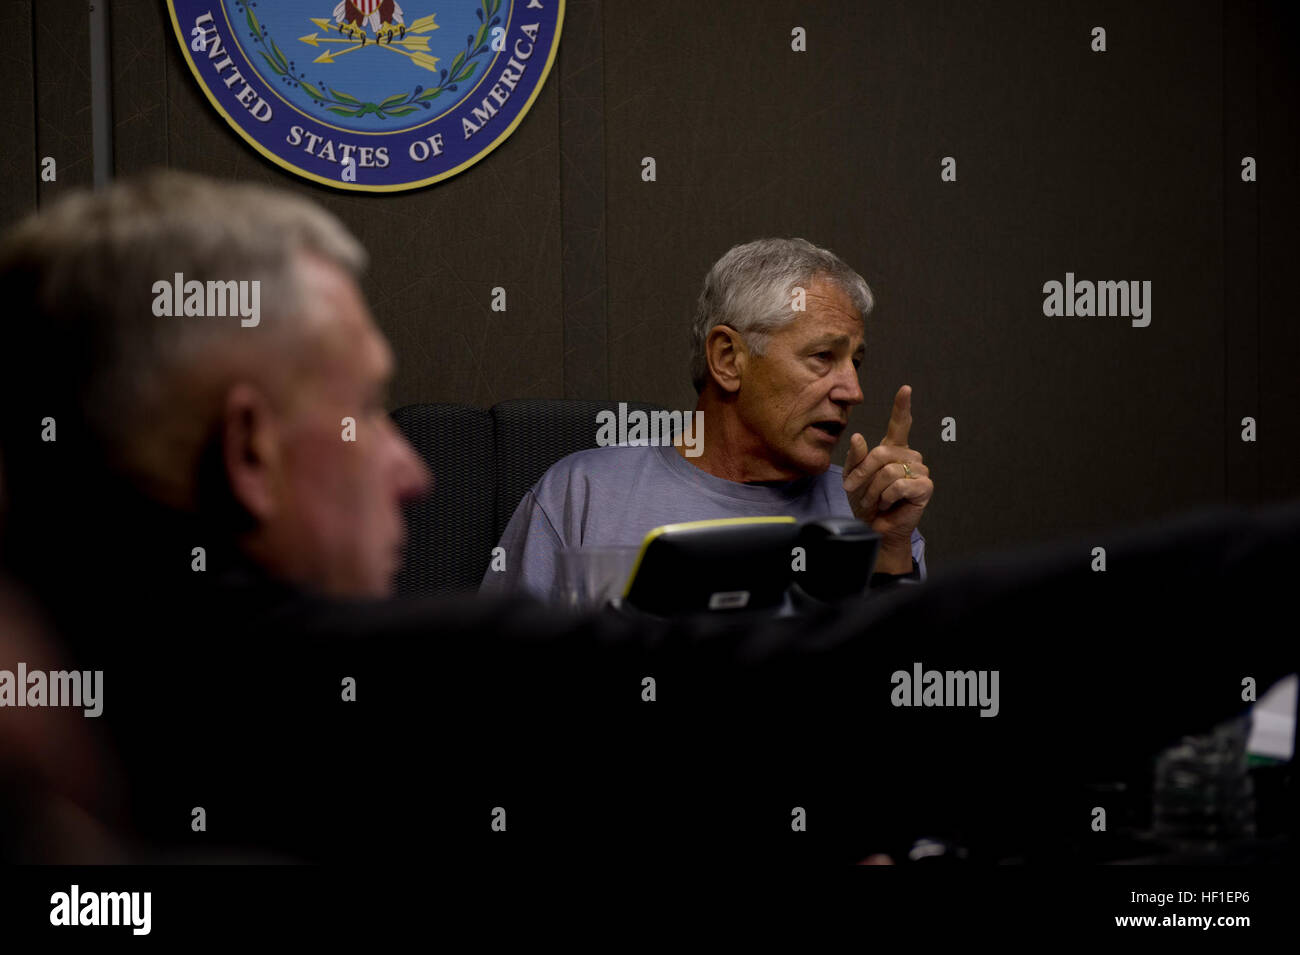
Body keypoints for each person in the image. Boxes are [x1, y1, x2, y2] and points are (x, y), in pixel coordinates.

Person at [0, 173, 1290, 865]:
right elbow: (809, 705)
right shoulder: (337, 698)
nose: (407, 468)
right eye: (368, 412)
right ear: (247, 451)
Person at [482, 238, 934, 601]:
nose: (853, 391)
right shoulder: (580, 496)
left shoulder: (871, 513)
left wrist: (890, 548)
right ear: (728, 359)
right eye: (823, 357)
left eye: (856, 362)